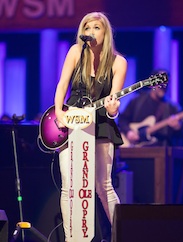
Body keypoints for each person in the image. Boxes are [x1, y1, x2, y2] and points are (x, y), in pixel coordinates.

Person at [52, 12, 127, 241]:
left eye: (96, 27)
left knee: (103, 186)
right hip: (73, 121)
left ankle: (122, 234)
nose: (91, 32)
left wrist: (113, 109)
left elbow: (114, 103)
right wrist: (58, 112)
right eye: (87, 27)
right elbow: (62, 84)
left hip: (101, 123)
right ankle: (71, 238)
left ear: (105, 32)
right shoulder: (75, 52)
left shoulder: (118, 62)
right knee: (68, 186)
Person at [118, 86, 183, 147]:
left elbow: (182, 134)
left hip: (160, 153)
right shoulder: (138, 100)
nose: (163, 87)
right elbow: (123, 119)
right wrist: (128, 132)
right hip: (135, 151)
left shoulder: (172, 107)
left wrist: (177, 127)